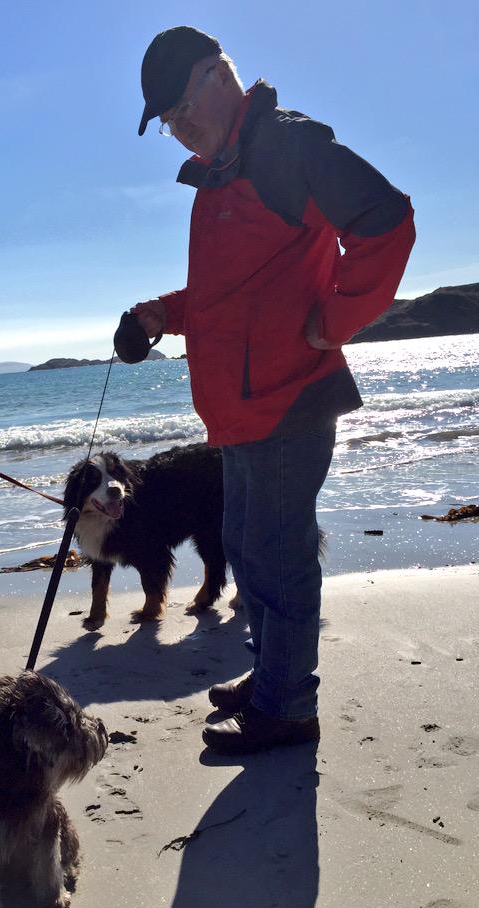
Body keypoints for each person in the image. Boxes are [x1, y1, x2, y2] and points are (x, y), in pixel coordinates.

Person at [131, 27, 415, 754]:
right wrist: (168, 313)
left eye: (179, 110)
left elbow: (386, 221)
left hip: (289, 399)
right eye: (167, 123)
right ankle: (271, 682)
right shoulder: (220, 172)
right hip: (235, 413)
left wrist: (335, 322)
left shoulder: (285, 147)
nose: (178, 130)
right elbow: (225, 295)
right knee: (243, 547)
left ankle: (289, 709)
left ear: (216, 75)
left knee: (276, 553)